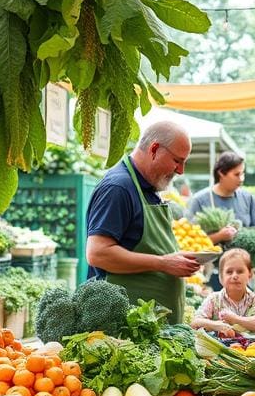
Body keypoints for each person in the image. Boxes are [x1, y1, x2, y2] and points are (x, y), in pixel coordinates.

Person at [85, 120, 200, 324]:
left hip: (151, 328)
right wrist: (163, 263)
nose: (181, 170)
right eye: (177, 161)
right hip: (126, 329)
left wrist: (173, 259)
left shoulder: (148, 187)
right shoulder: (118, 188)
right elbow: (98, 253)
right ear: (154, 149)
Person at [186, 151, 255, 246]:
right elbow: (190, 240)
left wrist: (238, 234)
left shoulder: (248, 198)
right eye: (236, 174)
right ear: (221, 173)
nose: (241, 179)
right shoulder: (199, 200)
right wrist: (219, 236)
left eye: (242, 174)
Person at [191, 248, 255, 337]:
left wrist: (235, 319)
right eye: (229, 272)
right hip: (220, 347)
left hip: (251, 348)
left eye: (240, 271)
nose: (235, 276)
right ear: (221, 278)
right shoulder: (214, 299)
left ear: (250, 274)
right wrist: (216, 326)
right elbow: (195, 322)